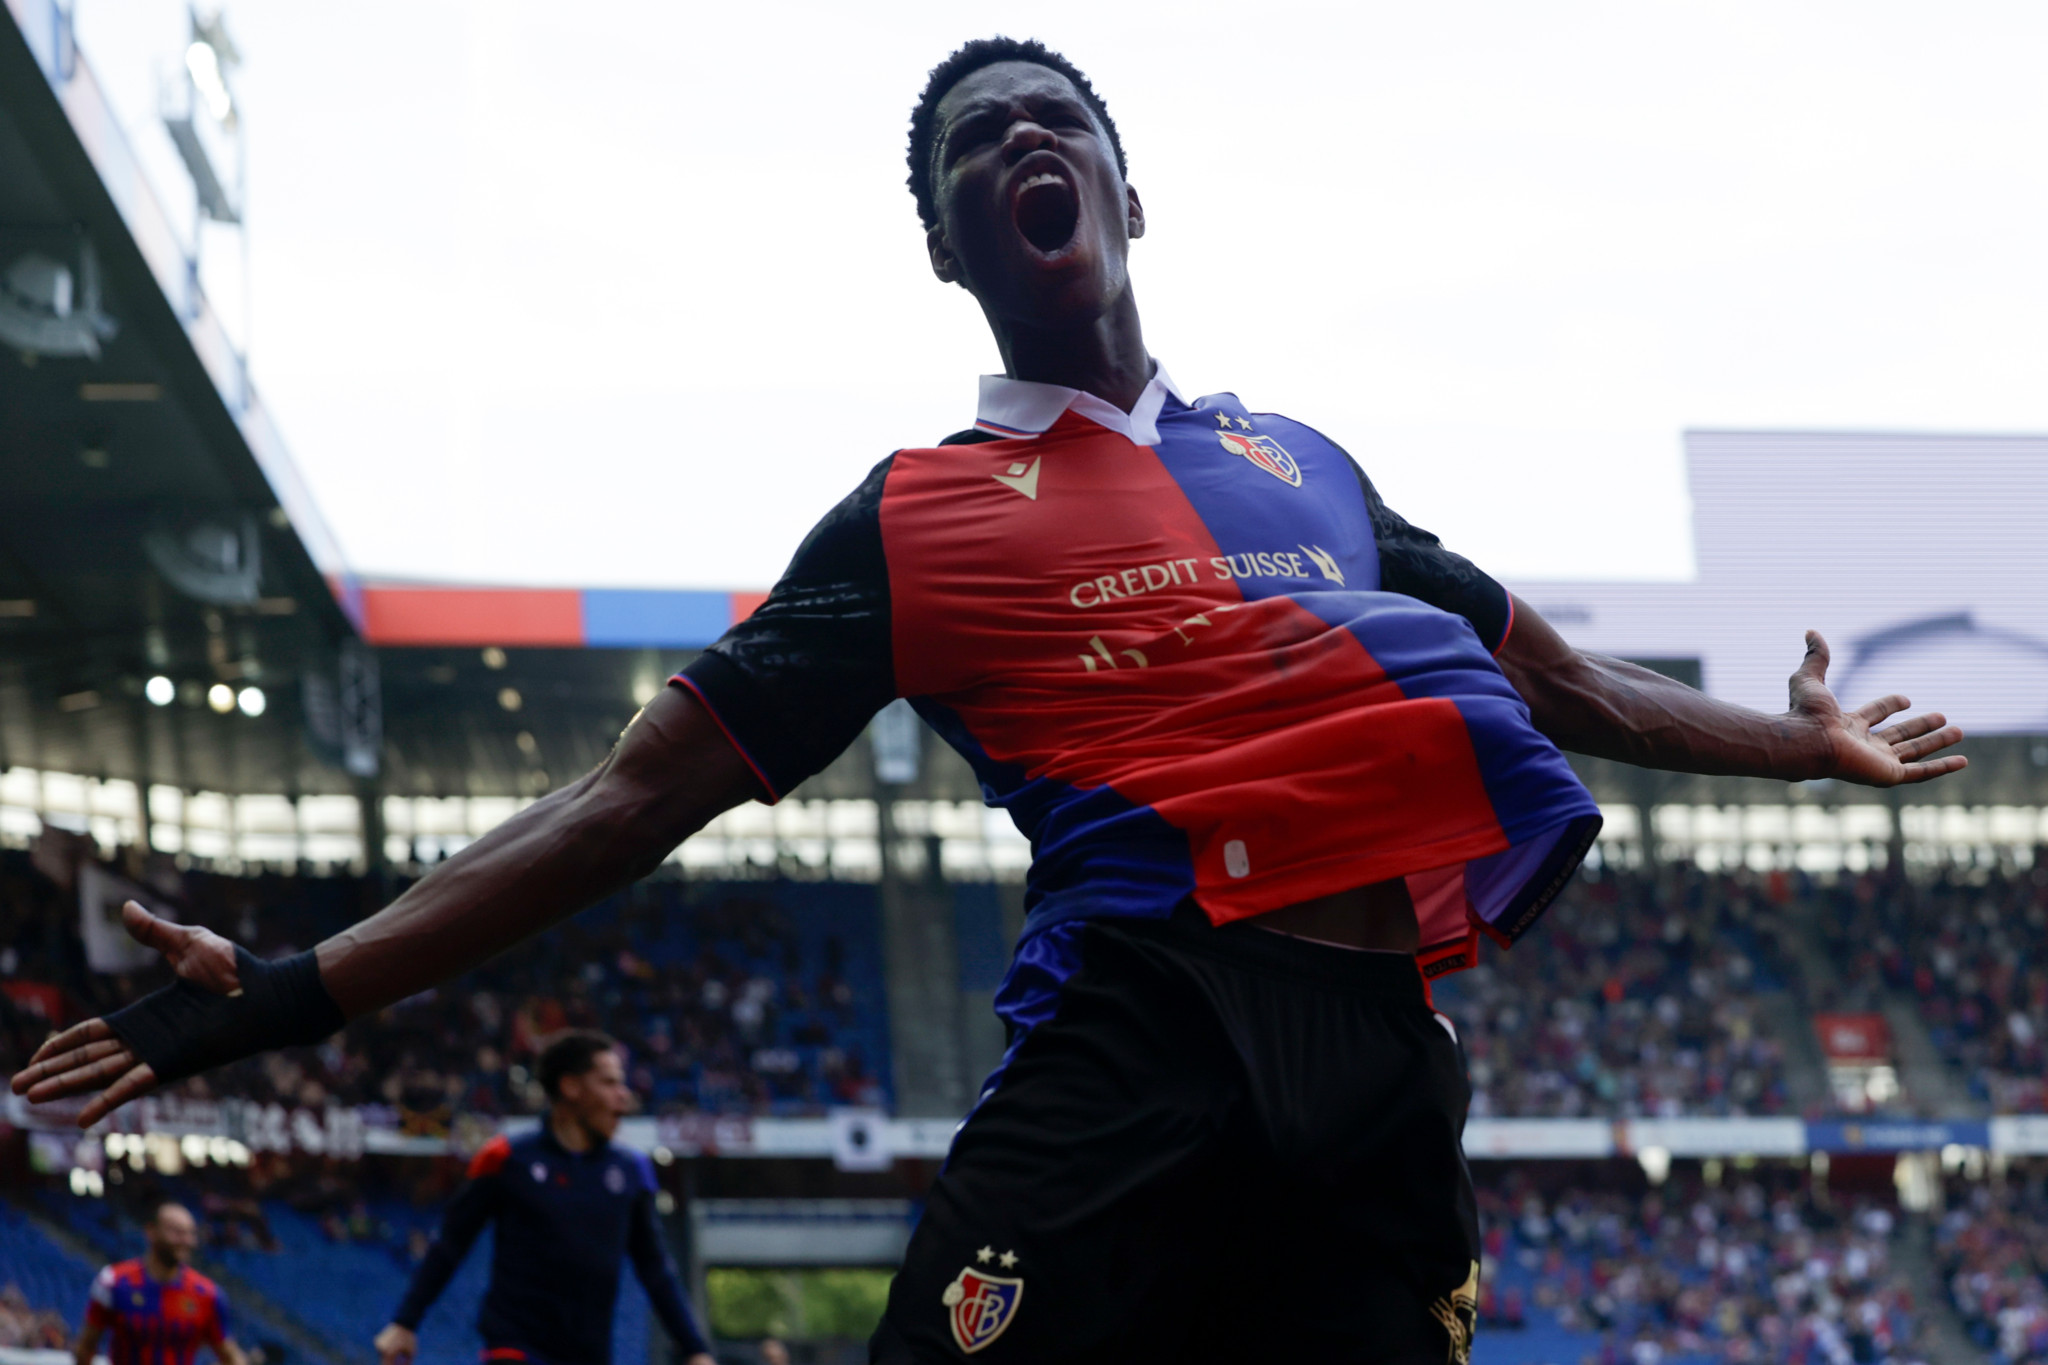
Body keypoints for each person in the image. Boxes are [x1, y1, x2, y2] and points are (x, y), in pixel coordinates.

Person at [17, 35, 1967, 1365]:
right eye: (970, 147)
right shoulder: (914, 517)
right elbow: (621, 802)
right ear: (950, 244)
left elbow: (1558, 679)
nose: (1015, 140)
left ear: (1128, 186)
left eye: (1047, 117)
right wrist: (280, 993)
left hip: (1383, 1052)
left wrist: (1806, 740)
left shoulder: (1307, 466)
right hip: (1138, 1018)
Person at [371, 1031, 714, 1365]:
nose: (623, 1095)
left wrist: (695, 1350)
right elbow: (450, 1243)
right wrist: (405, 1322)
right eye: (609, 1083)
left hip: (591, 1354)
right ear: (570, 1087)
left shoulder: (631, 1170)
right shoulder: (506, 1157)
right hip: (516, 1349)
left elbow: (655, 1269)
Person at [74, 1202, 244, 1365]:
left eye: (190, 1233)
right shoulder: (114, 1282)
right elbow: (85, 1348)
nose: (186, 1240)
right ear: (151, 1231)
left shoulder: (207, 1294)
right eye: (177, 1232)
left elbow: (231, 1357)